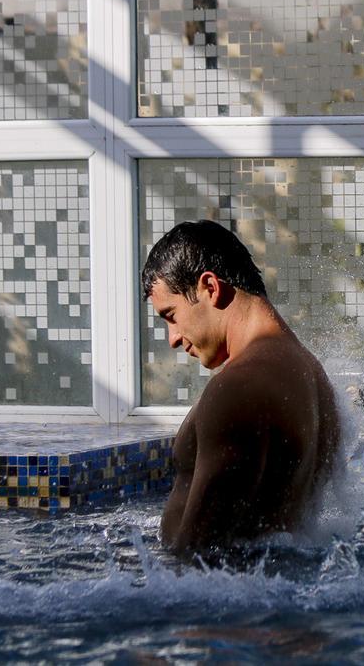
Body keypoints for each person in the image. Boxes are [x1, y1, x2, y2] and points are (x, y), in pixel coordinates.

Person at [142, 220, 341, 556]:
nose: (173, 338)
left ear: (209, 287)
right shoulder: (312, 375)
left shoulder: (237, 388)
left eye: (171, 315)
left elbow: (198, 560)